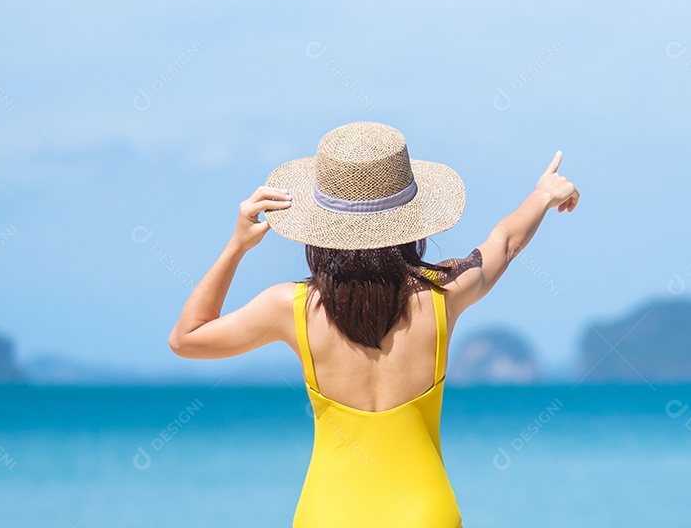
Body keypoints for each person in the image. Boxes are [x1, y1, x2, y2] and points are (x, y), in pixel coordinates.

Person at [168, 121, 579, 528]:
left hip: (327, 514)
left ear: (319, 226)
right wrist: (543, 194)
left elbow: (187, 338)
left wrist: (236, 245)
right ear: (410, 220)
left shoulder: (289, 307)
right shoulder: (443, 292)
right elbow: (505, 241)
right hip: (424, 512)